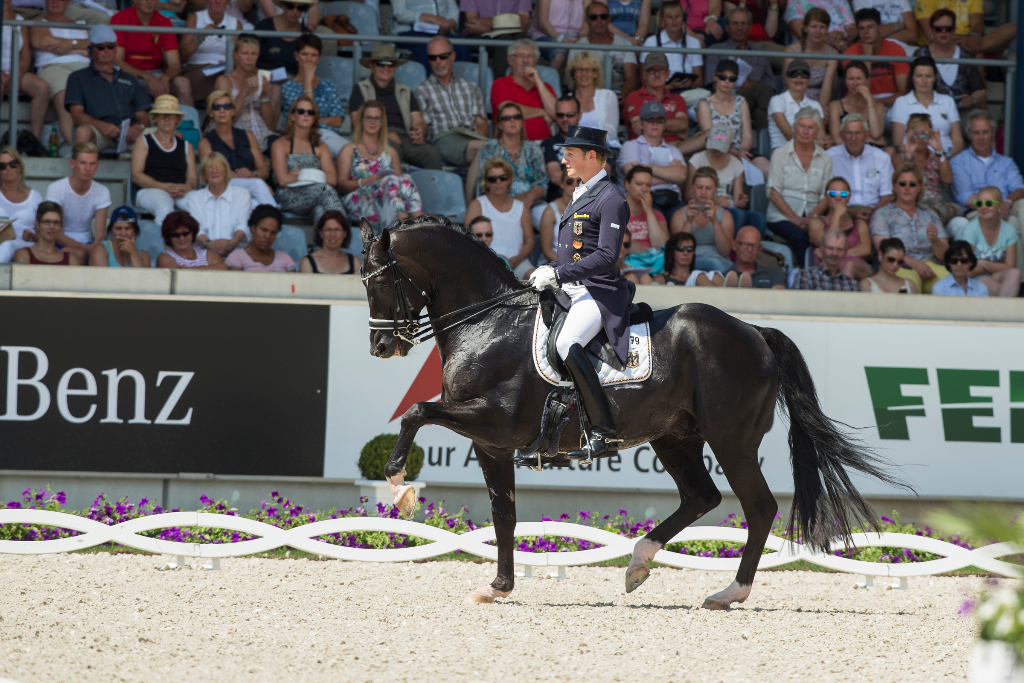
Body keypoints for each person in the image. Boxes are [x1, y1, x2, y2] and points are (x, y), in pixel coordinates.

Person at [527, 125, 630, 460]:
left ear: (591, 156)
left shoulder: (611, 198)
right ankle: (543, 434)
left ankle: (604, 432)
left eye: (570, 154)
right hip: (570, 288)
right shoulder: (582, 192)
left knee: (565, 343)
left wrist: (556, 272)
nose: (563, 159)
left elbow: (605, 257)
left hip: (596, 292)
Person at [349, 43, 442, 170]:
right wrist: (384, 133)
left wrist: (420, 131)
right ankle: (392, 188)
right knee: (392, 150)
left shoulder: (405, 90)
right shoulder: (360, 88)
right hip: (375, 135)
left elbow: (418, 120)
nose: (386, 67)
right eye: (381, 63)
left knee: (432, 154)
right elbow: (357, 123)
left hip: (404, 137)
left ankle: (431, 189)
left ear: (395, 67)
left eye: (391, 63)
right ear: (372, 66)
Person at [337, 100, 424, 227]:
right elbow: (341, 185)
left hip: (388, 201)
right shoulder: (349, 149)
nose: (373, 122)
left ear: (382, 122)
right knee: (389, 180)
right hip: (359, 200)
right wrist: (370, 180)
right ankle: (404, 223)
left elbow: (399, 188)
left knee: (405, 178)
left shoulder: (391, 152)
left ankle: (417, 223)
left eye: (377, 118)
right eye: (369, 118)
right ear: (361, 120)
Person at [64, 25, 150, 152]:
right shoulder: (77, 78)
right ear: (90, 51)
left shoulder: (130, 78)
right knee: (83, 132)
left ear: (116, 49)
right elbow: (77, 115)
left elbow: (142, 115)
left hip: (130, 134)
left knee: (169, 135)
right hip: (99, 132)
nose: (106, 50)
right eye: (100, 47)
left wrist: (139, 127)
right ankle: (79, 171)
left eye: (111, 46)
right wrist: (101, 126)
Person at [870, 163, 949, 292]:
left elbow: (944, 255)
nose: (907, 188)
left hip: (930, 265)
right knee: (907, 286)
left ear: (919, 187)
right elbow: (883, 249)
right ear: (895, 186)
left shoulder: (930, 214)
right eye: (902, 184)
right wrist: (916, 264)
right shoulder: (882, 214)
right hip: (898, 265)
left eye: (912, 184)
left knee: (950, 283)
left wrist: (935, 241)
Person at [948, 111, 1024, 246]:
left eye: (985, 132)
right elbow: (967, 198)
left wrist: (1006, 202)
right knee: (1011, 223)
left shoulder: (1006, 162)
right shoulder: (958, 161)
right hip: (976, 211)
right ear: (969, 135)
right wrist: (996, 207)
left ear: (993, 133)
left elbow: (1019, 188)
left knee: (1023, 205)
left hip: (1006, 208)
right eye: (976, 133)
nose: (981, 137)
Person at [766, 106, 831, 260]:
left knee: (826, 239)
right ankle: (806, 278)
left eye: (810, 128)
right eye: (802, 126)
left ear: (817, 131)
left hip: (813, 216)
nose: (805, 131)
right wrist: (795, 219)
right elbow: (773, 192)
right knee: (800, 239)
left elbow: (826, 196)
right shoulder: (780, 154)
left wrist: (811, 218)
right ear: (794, 128)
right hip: (781, 217)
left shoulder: (824, 158)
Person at [413, 36, 489, 170]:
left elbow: (482, 124)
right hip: (443, 139)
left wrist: (482, 130)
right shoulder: (422, 90)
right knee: (489, 150)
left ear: (453, 57)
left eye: (443, 56)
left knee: (498, 151)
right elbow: (422, 125)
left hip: (471, 136)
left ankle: (473, 190)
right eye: (433, 58)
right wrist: (419, 131)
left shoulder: (471, 88)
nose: (438, 61)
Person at [272, 96, 346, 227]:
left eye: (310, 112)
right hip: (289, 195)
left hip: (317, 195)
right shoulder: (280, 144)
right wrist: (317, 174)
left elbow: (333, 179)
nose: (306, 115)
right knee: (326, 189)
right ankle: (343, 233)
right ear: (293, 116)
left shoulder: (320, 146)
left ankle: (322, 245)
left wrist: (299, 173)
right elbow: (283, 180)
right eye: (301, 111)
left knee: (321, 212)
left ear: (314, 119)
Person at [471, 103, 548, 226]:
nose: (512, 121)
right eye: (506, 118)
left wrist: (529, 199)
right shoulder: (490, 148)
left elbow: (542, 183)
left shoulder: (533, 148)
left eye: (516, 117)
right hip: (498, 204)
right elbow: (485, 183)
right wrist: (514, 203)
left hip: (531, 203)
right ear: (499, 125)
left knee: (551, 219)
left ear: (522, 122)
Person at [197, 90, 276, 209]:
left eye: (227, 106)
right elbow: (211, 174)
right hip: (223, 187)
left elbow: (264, 171)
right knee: (259, 184)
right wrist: (244, 176)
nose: (222, 110)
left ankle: (272, 220)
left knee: (256, 205)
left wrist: (252, 174)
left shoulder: (248, 135)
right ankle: (277, 220)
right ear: (210, 112)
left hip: (249, 186)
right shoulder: (205, 142)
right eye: (217, 107)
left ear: (233, 111)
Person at [28, 0, 91, 148]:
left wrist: (70, 45)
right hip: (53, 67)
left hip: (84, 68)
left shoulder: (82, 23)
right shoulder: (39, 21)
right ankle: (76, 149)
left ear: (68, 2)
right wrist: (80, 47)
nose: (55, 1)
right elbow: (41, 41)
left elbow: (94, 47)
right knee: (66, 98)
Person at [703, 8, 777, 131]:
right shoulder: (716, 50)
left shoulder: (759, 53)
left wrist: (755, 85)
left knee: (761, 112)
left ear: (749, 27)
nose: (739, 27)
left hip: (755, 104)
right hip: (728, 98)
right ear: (727, 28)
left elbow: (772, 87)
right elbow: (713, 84)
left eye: (743, 23)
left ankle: (763, 149)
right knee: (763, 91)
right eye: (735, 23)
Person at [686, 125, 765, 236]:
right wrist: (714, 200)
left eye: (720, 148)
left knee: (759, 219)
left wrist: (741, 201)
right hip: (704, 206)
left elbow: (737, 198)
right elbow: (689, 195)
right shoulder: (697, 160)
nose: (716, 151)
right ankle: (729, 248)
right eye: (713, 146)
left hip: (729, 206)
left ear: (731, 146)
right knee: (738, 215)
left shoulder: (736, 164)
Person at [131, 95, 198, 227]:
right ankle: (166, 247)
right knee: (166, 210)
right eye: (162, 115)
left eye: (171, 115)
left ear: (177, 119)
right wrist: (163, 187)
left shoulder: (186, 146)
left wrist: (187, 187)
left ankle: (195, 247)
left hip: (179, 191)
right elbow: (136, 175)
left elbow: (192, 179)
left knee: (198, 208)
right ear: (155, 118)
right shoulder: (144, 141)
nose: (167, 119)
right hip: (151, 189)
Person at [695, 59, 770, 177]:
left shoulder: (741, 102)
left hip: (741, 151)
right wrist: (735, 153)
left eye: (732, 79)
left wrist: (741, 152)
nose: (727, 81)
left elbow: (747, 136)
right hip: (715, 152)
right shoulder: (705, 104)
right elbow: (710, 139)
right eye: (723, 77)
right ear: (715, 77)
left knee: (768, 169)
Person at [280, 34, 349, 157]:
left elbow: (338, 120)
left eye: (313, 55)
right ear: (296, 56)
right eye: (304, 54)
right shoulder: (288, 86)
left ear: (319, 58)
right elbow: (304, 120)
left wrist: (314, 121)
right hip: (300, 137)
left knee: (354, 154)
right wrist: (307, 82)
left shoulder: (329, 84)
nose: (309, 59)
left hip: (328, 135)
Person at [464, 158, 535, 277]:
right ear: (485, 182)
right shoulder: (477, 205)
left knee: (538, 279)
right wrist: (495, 257)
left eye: (503, 178)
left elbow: (530, 241)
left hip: (518, 264)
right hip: (486, 262)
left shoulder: (521, 207)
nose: (498, 182)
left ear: (510, 180)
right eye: (492, 179)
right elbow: (468, 240)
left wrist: (518, 258)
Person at [112, 0, 192, 105]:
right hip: (128, 74)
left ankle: (185, 121)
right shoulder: (120, 19)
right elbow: (117, 61)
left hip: (157, 74)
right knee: (129, 81)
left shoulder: (165, 22)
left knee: (183, 83)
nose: (149, 2)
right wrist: (146, 76)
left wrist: (165, 78)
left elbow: (175, 64)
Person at [619, 102, 687, 221]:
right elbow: (634, 179)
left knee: (685, 217)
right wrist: (670, 176)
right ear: (641, 123)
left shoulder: (673, 150)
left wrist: (647, 167)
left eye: (660, 120)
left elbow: (681, 175)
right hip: (642, 199)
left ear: (664, 124)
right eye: (650, 119)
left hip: (673, 200)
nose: (655, 123)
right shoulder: (630, 146)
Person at [45, 142, 111, 262]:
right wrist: (85, 248)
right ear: (72, 163)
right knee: (79, 254)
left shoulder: (103, 191)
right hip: (58, 243)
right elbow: (57, 233)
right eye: (83, 163)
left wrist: (95, 249)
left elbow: (100, 235)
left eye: (92, 164)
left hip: (88, 241)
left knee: (101, 254)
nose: (87, 168)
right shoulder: (56, 188)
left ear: (97, 166)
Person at [178, 0, 252, 105]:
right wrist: (202, 36)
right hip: (197, 69)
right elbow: (183, 55)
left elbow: (237, 57)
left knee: (227, 80)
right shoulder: (195, 18)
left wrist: (228, 63)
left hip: (225, 70)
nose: (217, 1)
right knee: (222, 83)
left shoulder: (236, 23)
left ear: (228, 2)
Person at [182, 152, 252, 259]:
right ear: (204, 174)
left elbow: (243, 223)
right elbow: (195, 227)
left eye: (219, 166)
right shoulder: (194, 198)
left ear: (226, 170)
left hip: (236, 253)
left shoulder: (242, 194)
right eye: (209, 168)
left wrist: (233, 242)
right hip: (204, 254)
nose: (214, 171)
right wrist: (209, 244)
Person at [913, 10, 985, 114]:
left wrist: (971, 100)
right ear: (931, 31)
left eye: (948, 29)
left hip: (962, 112)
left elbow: (980, 90)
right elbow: (911, 89)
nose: (943, 32)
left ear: (954, 30)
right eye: (938, 29)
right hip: (928, 111)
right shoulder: (921, 54)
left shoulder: (965, 55)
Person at [215, 35, 279, 150]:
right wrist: (243, 92)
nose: (249, 58)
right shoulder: (224, 81)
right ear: (235, 54)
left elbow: (269, 123)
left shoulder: (261, 78)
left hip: (263, 134)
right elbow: (226, 119)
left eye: (254, 54)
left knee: (284, 148)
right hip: (236, 135)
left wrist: (264, 96)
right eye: (245, 53)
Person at [891, 113, 958, 224]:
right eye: (917, 134)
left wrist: (939, 150)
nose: (921, 139)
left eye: (925, 134)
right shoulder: (899, 157)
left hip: (936, 207)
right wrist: (909, 155)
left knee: (959, 222)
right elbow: (903, 181)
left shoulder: (936, 155)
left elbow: (947, 179)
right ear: (908, 134)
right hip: (912, 206)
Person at [890, 56, 963, 157]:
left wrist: (944, 159)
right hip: (913, 158)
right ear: (912, 78)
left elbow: (958, 141)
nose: (924, 81)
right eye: (919, 76)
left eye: (928, 76)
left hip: (945, 156)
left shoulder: (947, 101)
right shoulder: (901, 102)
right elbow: (898, 143)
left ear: (935, 77)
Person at [826, 113, 893, 221]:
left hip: (874, 211)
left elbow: (887, 196)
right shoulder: (830, 157)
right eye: (849, 133)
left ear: (867, 135)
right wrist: (850, 211)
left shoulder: (881, 158)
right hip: (842, 211)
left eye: (858, 133)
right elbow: (826, 196)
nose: (853, 138)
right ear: (842, 135)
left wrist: (872, 213)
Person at [956, 187, 1021, 297]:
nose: (984, 207)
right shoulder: (970, 229)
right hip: (975, 279)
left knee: (1016, 274)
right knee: (994, 285)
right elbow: (967, 269)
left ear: (1000, 206)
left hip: (997, 275)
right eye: (979, 203)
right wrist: (996, 267)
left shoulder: (1009, 229)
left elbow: (1010, 267)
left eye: (989, 203)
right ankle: (1003, 312)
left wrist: (982, 263)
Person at [490, 39, 558, 142]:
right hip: (512, 144)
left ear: (535, 61)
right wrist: (542, 112)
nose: (525, 61)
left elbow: (557, 113)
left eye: (530, 56)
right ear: (510, 60)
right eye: (521, 56)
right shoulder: (500, 84)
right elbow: (509, 111)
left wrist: (538, 82)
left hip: (544, 143)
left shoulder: (545, 87)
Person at [669, 166, 735, 271]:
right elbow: (679, 250)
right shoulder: (680, 214)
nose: (703, 192)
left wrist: (715, 221)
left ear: (716, 188)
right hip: (689, 261)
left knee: (715, 263)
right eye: (699, 187)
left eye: (708, 188)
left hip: (719, 260)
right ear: (693, 187)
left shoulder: (725, 215)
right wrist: (689, 221)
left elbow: (725, 251)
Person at [2, 0, 50, 145]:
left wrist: (14, 75)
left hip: (15, 71)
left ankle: (34, 141)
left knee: (42, 88)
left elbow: (25, 57)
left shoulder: (20, 20)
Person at [842, 8, 910, 108]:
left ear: (880, 28)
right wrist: (867, 57)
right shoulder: (850, 53)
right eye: (861, 28)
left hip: (892, 102)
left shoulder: (895, 49)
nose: (865, 32)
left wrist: (876, 102)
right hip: (860, 103)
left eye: (870, 27)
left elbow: (904, 91)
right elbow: (860, 92)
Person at [569, 2, 640, 97]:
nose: (599, 20)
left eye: (603, 16)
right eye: (594, 17)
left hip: (619, 95)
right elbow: (574, 80)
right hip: (589, 97)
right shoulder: (577, 47)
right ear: (587, 21)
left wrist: (620, 97)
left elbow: (631, 77)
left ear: (609, 19)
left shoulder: (625, 44)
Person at [806, 179, 872, 280]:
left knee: (849, 266)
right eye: (832, 194)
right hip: (825, 272)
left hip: (859, 269)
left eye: (843, 194)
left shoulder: (860, 223)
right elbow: (827, 244)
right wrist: (837, 216)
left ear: (849, 197)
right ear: (826, 197)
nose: (838, 198)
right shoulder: (815, 223)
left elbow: (866, 249)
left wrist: (834, 254)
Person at [623, 53, 690, 145]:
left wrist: (650, 124)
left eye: (661, 70)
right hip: (644, 147)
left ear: (668, 73)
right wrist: (677, 131)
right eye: (652, 70)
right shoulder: (634, 96)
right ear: (645, 74)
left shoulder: (677, 98)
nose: (657, 74)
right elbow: (639, 127)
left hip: (676, 148)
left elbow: (683, 125)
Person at [640, 1, 704, 95]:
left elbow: (699, 81)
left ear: (683, 19)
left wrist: (690, 84)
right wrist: (669, 87)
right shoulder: (651, 42)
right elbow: (643, 80)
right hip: (659, 94)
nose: (674, 21)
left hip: (687, 93)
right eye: (670, 17)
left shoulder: (694, 43)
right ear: (662, 21)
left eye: (677, 16)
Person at [912, 0, 1016, 55]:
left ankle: (969, 49)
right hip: (937, 45)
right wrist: (968, 40)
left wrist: (974, 36)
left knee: (1011, 29)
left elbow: (978, 24)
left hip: (968, 40)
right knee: (977, 53)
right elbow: (931, 35)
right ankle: (971, 50)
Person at [767, 60, 828, 151]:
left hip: (810, 151)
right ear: (786, 78)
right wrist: (814, 141)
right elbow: (788, 135)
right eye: (794, 74)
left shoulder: (815, 105)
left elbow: (821, 137)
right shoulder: (777, 100)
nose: (799, 78)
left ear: (809, 79)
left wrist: (818, 142)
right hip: (783, 151)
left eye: (804, 74)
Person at [783, 8, 838, 105]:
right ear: (805, 28)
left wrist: (820, 110)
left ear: (827, 29)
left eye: (822, 27)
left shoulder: (832, 54)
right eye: (813, 26)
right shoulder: (791, 51)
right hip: (792, 102)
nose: (818, 31)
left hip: (818, 103)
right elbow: (789, 84)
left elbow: (827, 87)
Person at [564, 52, 620, 149]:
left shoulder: (608, 96)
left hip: (604, 149)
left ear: (595, 73)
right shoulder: (567, 100)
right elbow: (564, 130)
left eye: (588, 70)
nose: (584, 73)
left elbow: (611, 132)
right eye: (580, 69)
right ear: (573, 74)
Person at [392, 0, 465, 72]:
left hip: (442, 31)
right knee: (428, 48)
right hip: (410, 31)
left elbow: (454, 10)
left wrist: (450, 24)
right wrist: (432, 18)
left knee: (461, 47)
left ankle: (459, 83)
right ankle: (427, 83)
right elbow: (400, 13)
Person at [0, 146, 43, 264]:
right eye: (2, 166)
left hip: (26, 246)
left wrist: (32, 236)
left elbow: (45, 236)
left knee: (8, 245)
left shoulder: (35, 197)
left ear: (20, 167)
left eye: (12, 164)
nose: (8, 169)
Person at [827, 61, 885, 145]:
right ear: (845, 81)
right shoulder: (836, 106)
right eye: (851, 79)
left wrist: (870, 102)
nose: (855, 83)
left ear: (867, 80)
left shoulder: (878, 106)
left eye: (859, 78)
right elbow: (837, 139)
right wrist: (871, 140)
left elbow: (876, 134)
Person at [225, 204, 295, 272]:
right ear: (253, 228)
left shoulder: (285, 259)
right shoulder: (237, 257)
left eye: (273, 233)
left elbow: (293, 283)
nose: (268, 236)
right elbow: (235, 283)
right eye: (264, 230)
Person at [253, 0, 313, 77]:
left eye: (301, 8)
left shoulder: (306, 34)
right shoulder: (264, 26)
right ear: (282, 5)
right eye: (290, 6)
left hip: (293, 82)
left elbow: (308, 66)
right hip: (263, 78)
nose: (295, 11)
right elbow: (250, 57)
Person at [12, 202, 81, 266]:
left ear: (61, 226)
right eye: (47, 222)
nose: (51, 227)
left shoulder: (72, 260)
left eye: (56, 222)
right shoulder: (24, 254)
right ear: (37, 224)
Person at [791, 228, 860, 290]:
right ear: (821, 249)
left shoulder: (851, 284)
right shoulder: (805, 277)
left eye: (839, 249)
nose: (834, 253)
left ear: (845, 252)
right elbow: (799, 303)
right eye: (830, 248)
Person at [155, 210, 227, 269]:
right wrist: (210, 267)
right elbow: (175, 277)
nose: (182, 238)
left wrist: (190, 269)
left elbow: (223, 268)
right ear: (168, 236)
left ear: (193, 232)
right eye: (176, 235)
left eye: (186, 233)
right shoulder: (165, 257)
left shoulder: (207, 254)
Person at [542, 95, 582, 202]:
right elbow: (555, 176)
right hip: (558, 202)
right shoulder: (548, 144)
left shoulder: (595, 143)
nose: (565, 119)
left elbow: (603, 174)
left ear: (579, 115)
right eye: (560, 115)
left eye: (570, 115)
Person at [527, 0, 584, 75]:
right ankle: (549, 84)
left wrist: (581, 38)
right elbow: (542, 23)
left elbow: (587, 21)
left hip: (574, 39)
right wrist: (565, 41)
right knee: (560, 53)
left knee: (589, 54)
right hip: (546, 36)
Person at [622, 165, 668, 252]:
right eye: (639, 184)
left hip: (653, 263)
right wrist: (651, 252)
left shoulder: (657, 214)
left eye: (648, 185)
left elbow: (662, 245)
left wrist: (649, 211)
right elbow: (617, 244)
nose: (644, 189)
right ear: (627, 184)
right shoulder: (614, 211)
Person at [299, 210, 360, 274]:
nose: (333, 235)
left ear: (344, 233)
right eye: (328, 230)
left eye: (337, 230)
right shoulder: (307, 263)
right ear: (321, 233)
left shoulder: (355, 263)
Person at [653, 231, 724, 285]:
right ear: (672, 252)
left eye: (690, 249)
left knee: (713, 275)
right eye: (680, 248)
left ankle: (728, 290)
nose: (685, 253)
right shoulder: (661, 279)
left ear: (694, 252)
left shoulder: (701, 277)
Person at [539, 169, 578, 264]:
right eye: (569, 181)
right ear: (562, 184)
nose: (575, 185)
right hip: (554, 264)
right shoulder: (550, 211)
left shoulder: (590, 208)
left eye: (579, 181)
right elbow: (547, 251)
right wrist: (568, 265)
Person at [784, 0, 856, 48]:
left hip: (842, 45)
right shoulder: (796, 1)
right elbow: (799, 32)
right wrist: (831, 42)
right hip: (809, 49)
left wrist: (840, 34)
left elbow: (853, 29)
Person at [849, 0, 918, 51]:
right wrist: (898, 25)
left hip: (903, 47)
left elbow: (913, 36)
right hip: (874, 49)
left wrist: (876, 34)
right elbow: (864, 30)